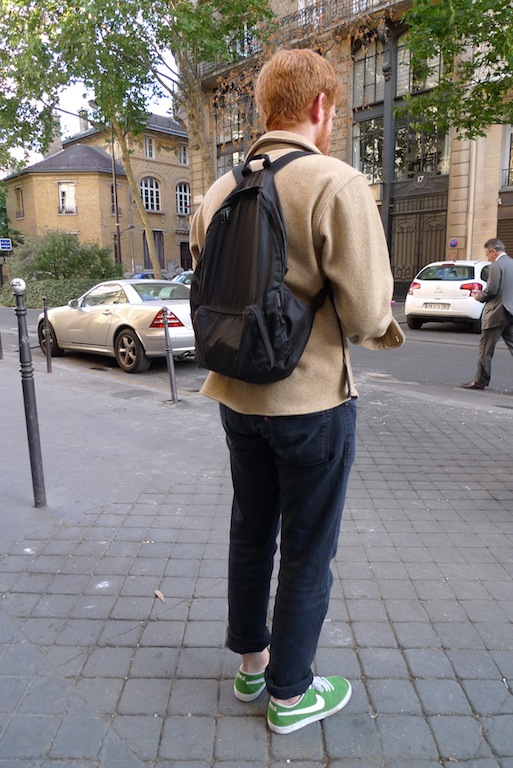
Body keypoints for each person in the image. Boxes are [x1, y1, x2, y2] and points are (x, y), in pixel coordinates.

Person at [190, 48, 405, 735]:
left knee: (250, 532)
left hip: (236, 395)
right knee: (308, 549)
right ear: (319, 107)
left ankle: (253, 666)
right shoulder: (336, 183)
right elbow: (367, 315)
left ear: (266, 108)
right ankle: (290, 695)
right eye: (334, 109)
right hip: (311, 403)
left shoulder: (217, 192)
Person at [461, 238, 513, 390]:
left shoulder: (495, 266)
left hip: (496, 313)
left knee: (486, 350)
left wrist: (479, 296)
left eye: (487, 254)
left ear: (493, 252)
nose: (487, 257)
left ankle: (480, 381)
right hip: (510, 312)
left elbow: (492, 289)